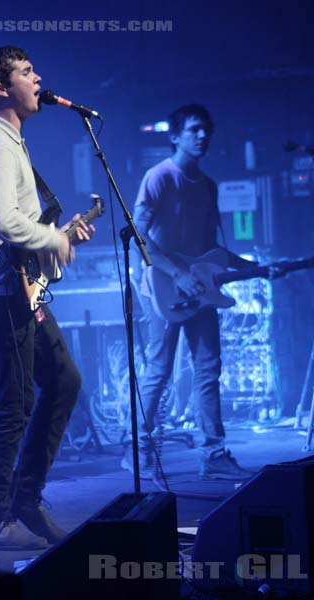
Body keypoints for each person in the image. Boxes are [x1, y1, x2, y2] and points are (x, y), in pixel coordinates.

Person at [0, 46, 95, 550]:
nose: (38, 79)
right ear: (1, 87)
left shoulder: (11, 140)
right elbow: (2, 222)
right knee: (14, 406)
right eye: (26, 72)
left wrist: (60, 237)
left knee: (62, 382)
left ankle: (26, 500)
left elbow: (21, 231)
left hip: (16, 290)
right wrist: (55, 240)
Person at [123, 104, 254, 480]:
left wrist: (251, 268)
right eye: (194, 129)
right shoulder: (159, 178)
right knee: (159, 370)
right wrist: (177, 274)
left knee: (208, 370)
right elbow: (139, 237)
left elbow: (211, 248)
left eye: (206, 130)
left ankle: (214, 453)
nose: (202, 136)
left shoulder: (209, 186)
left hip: (199, 291)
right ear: (175, 136)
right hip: (163, 288)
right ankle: (140, 450)